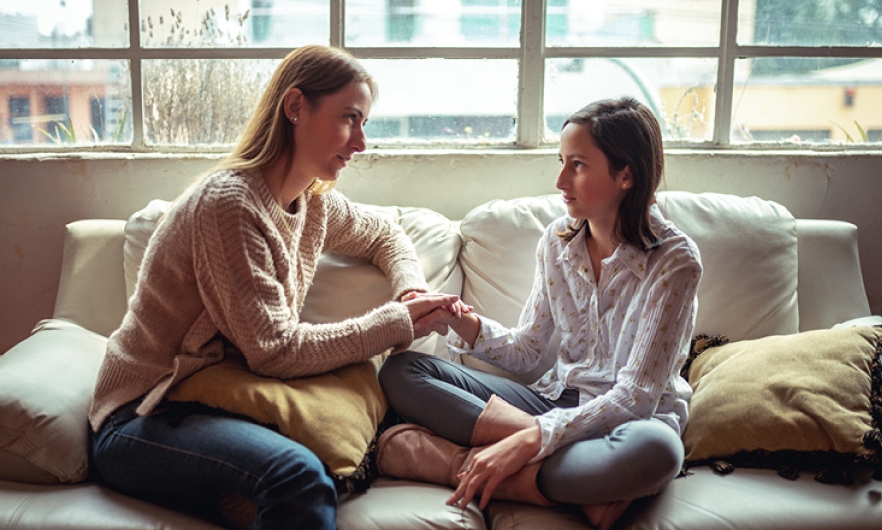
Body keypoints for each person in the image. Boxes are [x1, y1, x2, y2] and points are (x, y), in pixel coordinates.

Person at [88, 45, 461, 530]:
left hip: (217, 398)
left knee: (370, 426)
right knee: (296, 477)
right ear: (295, 107)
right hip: (143, 413)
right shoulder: (229, 205)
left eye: (364, 122)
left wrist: (410, 290)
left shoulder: (313, 204)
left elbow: (385, 234)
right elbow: (275, 351)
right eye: (350, 118)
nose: (361, 142)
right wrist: (395, 322)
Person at [376, 97, 703, 530]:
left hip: (630, 422)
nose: (560, 180)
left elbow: (635, 398)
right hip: (552, 402)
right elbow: (528, 351)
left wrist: (535, 438)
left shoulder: (675, 261)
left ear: (626, 174)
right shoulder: (557, 241)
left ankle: (458, 463)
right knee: (403, 372)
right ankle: (573, 485)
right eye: (561, 161)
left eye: (578, 165)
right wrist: (458, 320)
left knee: (656, 453)